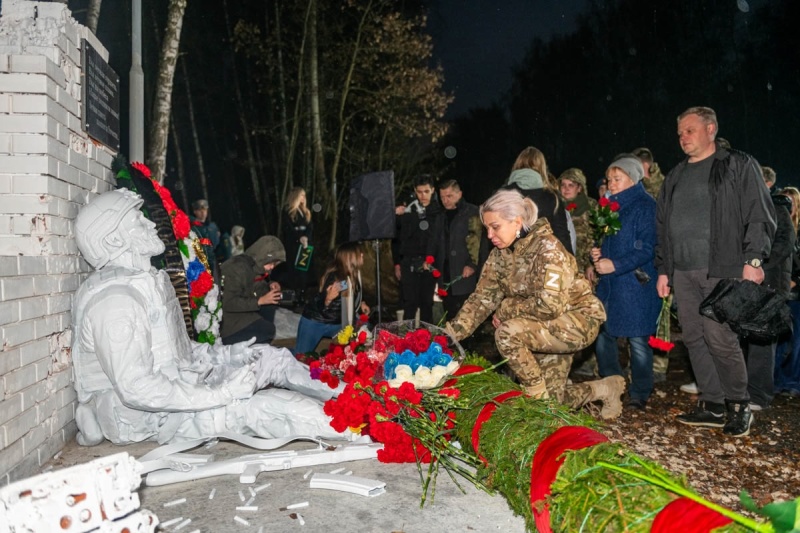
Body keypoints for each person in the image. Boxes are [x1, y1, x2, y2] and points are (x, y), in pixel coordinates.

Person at [71, 189, 346, 446]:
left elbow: (178, 353)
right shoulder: (116, 302)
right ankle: (363, 428)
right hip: (157, 416)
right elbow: (137, 389)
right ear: (113, 240)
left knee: (273, 357)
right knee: (266, 408)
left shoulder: (146, 283)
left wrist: (227, 355)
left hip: (185, 386)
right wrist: (223, 393)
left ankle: (351, 397)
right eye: (137, 221)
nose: (151, 225)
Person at [445, 189, 626, 419]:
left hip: (577, 321)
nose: (489, 235)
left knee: (507, 333)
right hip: (541, 326)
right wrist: (448, 336)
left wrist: (507, 309)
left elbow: (550, 306)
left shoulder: (548, 249)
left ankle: (537, 407)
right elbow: (481, 300)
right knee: (555, 402)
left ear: (517, 221)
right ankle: (605, 389)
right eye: (487, 228)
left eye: (495, 227)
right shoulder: (500, 255)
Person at [655, 106, 776, 437]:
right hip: (683, 271)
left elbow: (759, 212)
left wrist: (753, 260)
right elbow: (663, 224)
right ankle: (712, 404)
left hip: (723, 267)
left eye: (690, 130)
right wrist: (664, 269)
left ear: (711, 129)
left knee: (720, 337)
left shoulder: (736, 164)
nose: (683, 138)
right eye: (680, 133)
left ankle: (738, 404)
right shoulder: (675, 175)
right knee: (694, 337)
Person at [590, 155, 660, 410]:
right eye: (609, 179)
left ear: (633, 178)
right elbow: (607, 240)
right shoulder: (611, 205)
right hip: (611, 286)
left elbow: (648, 249)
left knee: (638, 341)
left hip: (635, 286)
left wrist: (615, 264)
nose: (611, 184)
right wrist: (597, 253)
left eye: (617, 179)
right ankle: (612, 385)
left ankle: (640, 392)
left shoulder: (645, 206)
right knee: (603, 335)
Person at [743, 167, 795, 410]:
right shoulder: (749, 208)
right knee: (746, 338)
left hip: (771, 284)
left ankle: (759, 395)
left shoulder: (777, 208)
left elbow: (785, 243)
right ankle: (744, 389)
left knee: (762, 341)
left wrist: (757, 264)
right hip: (751, 283)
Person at [295, 242, 371, 354]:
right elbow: (320, 300)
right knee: (300, 356)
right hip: (316, 322)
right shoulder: (338, 278)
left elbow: (350, 294)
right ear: (351, 257)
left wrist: (361, 303)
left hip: (336, 323)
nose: (362, 255)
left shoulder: (353, 275)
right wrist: (328, 299)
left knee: (365, 328)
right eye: (360, 253)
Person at [393, 175, 445, 324]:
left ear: (433, 190)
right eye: (420, 192)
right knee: (409, 303)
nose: (423, 196)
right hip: (408, 262)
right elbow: (396, 240)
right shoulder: (408, 211)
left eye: (426, 191)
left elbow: (439, 241)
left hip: (429, 263)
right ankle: (407, 340)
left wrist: (434, 262)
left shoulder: (438, 213)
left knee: (426, 303)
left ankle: (425, 340)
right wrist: (397, 262)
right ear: (415, 191)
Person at [503, 146, 573, 254]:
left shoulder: (501, 195)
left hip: (507, 263)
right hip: (541, 264)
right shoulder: (551, 197)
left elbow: (489, 237)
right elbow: (562, 236)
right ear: (542, 168)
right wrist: (571, 266)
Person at [220, 236, 286, 345]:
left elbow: (256, 287)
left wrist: (270, 286)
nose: (272, 267)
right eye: (271, 263)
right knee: (267, 330)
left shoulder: (253, 266)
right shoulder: (237, 267)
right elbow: (228, 302)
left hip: (239, 315)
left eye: (275, 264)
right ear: (262, 256)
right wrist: (259, 301)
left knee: (270, 305)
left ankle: (260, 344)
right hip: (226, 323)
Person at [438, 179, 483, 320]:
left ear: (459, 194)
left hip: (465, 272)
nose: (445, 200)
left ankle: (466, 342)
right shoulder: (440, 215)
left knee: (465, 315)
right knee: (449, 314)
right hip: (445, 273)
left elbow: (478, 241)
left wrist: (472, 264)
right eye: (442, 197)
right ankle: (451, 341)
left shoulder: (472, 212)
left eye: (449, 196)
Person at [775, 186, 800, 396]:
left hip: (796, 294)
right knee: (778, 339)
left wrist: (795, 281)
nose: (787, 206)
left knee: (797, 340)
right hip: (779, 292)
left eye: (790, 202)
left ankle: (792, 382)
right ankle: (775, 381)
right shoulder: (776, 227)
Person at [559, 168, 597, 277]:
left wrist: (591, 264)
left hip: (583, 266)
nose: (566, 189)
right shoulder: (555, 205)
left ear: (579, 188)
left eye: (571, 185)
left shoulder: (591, 207)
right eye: (563, 185)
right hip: (561, 264)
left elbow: (596, 237)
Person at [279, 187, 313, 300]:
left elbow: (310, 227)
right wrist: (299, 238)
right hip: (293, 244)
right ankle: (295, 294)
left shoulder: (305, 212)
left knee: (303, 269)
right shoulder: (287, 211)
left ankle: (303, 294)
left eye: (304, 195)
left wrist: (306, 237)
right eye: (301, 195)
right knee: (294, 269)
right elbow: (288, 229)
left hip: (305, 245)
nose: (303, 198)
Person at [190, 199, 222, 277]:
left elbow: (216, 243)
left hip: (212, 259)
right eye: (199, 210)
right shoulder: (192, 226)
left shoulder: (213, 227)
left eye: (204, 209)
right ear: (195, 212)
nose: (203, 212)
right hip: (199, 260)